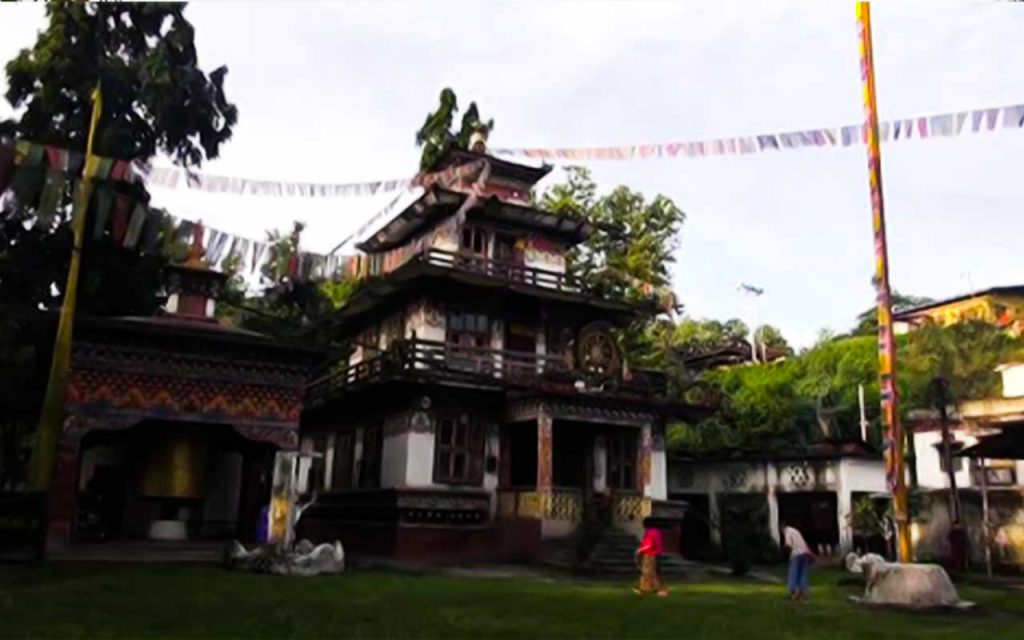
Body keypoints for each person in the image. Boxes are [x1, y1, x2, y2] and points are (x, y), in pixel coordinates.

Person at [634, 517, 669, 597]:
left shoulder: (649, 532)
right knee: (655, 572)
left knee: (647, 572)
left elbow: (649, 545)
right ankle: (647, 589)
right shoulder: (657, 531)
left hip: (650, 554)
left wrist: (640, 550)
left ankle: (657, 589)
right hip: (657, 554)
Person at [781, 520, 814, 602]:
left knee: (793, 573)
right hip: (805, 553)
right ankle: (803, 594)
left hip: (797, 554)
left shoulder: (787, 531)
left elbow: (788, 544)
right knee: (803, 574)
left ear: (781, 527)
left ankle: (792, 593)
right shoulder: (795, 531)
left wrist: (784, 555)